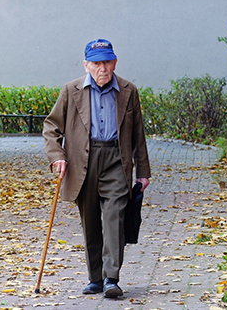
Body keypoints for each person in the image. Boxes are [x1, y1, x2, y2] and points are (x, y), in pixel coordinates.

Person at [42, 39, 151, 299]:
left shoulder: (128, 90)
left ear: (115, 62)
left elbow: (138, 132)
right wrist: (57, 156)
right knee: (90, 221)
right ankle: (95, 278)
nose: (103, 68)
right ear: (86, 65)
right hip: (83, 161)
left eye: (107, 62)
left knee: (115, 218)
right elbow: (51, 126)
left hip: (116, 159)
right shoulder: (71, 90)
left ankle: (111, 278)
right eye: (97, 63)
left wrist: (143, 172)